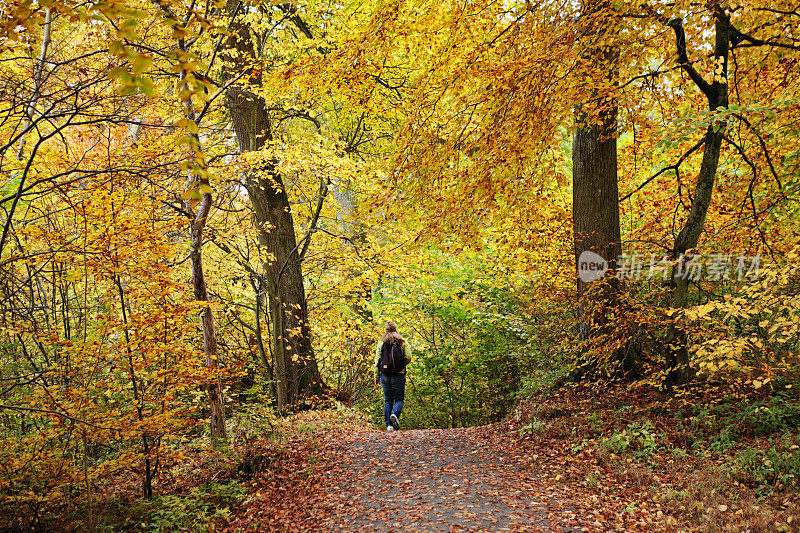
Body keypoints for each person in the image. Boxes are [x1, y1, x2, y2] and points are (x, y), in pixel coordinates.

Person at [374, 320, 412, 431]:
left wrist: (376, 377)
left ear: (385, 330)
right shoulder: (402, 341)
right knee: (399, 399)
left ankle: (389, 426)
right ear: (396, 328)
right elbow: (408, 357)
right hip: (398, 375)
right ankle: (395, 414)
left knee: (388, 399)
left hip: (384, 375)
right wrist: (400, 365)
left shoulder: (381, 342)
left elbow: (377, 361)